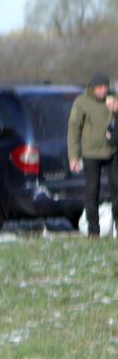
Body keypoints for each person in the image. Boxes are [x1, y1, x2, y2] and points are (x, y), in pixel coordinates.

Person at [68, 72, 117, 237]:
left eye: (106, 87)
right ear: (92, 88)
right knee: (92, 191)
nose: (104, 91)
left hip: (112, 150)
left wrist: (115, 109)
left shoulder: (113, 99)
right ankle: (93, 231)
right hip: (91, 153)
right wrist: (74, 156)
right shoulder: (82, 103)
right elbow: (74, 129)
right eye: (100, 88)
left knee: (116, 189)